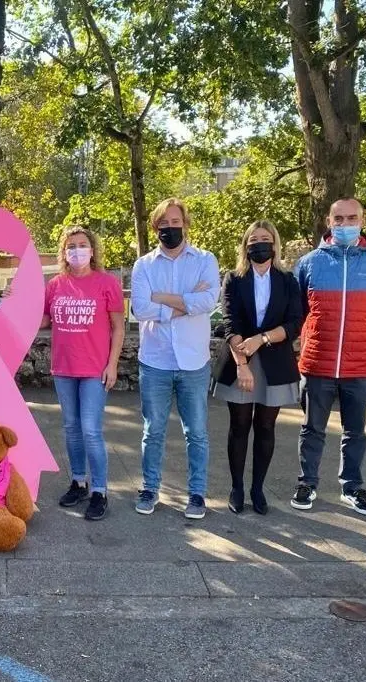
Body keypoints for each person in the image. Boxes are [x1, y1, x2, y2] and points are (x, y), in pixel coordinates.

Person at [291, 198, 366, 516]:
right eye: (339, 219)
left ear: (363, 221)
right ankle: (307, 483)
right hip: (317, 363)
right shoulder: (309, 263)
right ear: (329, 221)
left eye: (352, 218)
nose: (345, 224)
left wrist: (361, 339)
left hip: (361, 365)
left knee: (355, 432)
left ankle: (352, 487)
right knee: (312, 429)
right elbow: (299, 311)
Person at [130, 198, 220, 520]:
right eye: (164, 224)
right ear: (156, 227)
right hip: (155, 360)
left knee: (196, 433)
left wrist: (162, 299)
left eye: (175, 222)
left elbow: (208, 301)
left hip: (193, 362)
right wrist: (185, 303)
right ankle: (149, 488)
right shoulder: (143, 265)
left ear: (185, 224)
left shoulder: (205, 260)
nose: (170, 228)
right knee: (153, 430)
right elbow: (140, 308)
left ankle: (196, 494)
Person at [212, 220, 304, 515]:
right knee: (239, 426)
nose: (259, 244)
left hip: (275, 364)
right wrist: (242, 364)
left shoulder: (287, 280)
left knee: (265, 426)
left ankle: (257, 489)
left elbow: (294, 323)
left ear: (274, 244)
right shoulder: (234, 279)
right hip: (239, 361)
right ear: (245, 246)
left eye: (264, 239)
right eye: (253, 240)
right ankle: (237, 488)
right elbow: (230, 322)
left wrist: (262, 339)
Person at [44, 227, 125, 521]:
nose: (76, 250)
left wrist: (112, 364)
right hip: (64, 368)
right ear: (63, 252)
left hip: (94, 369)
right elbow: (42, 319)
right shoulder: (55, 285)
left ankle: (99, 490)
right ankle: (79, 482)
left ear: (92, 250)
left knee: (91, 429)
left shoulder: (107, 283)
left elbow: (119, 327)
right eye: (70, 246)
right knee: (71, 427)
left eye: (81, 245)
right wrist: (13, 299)